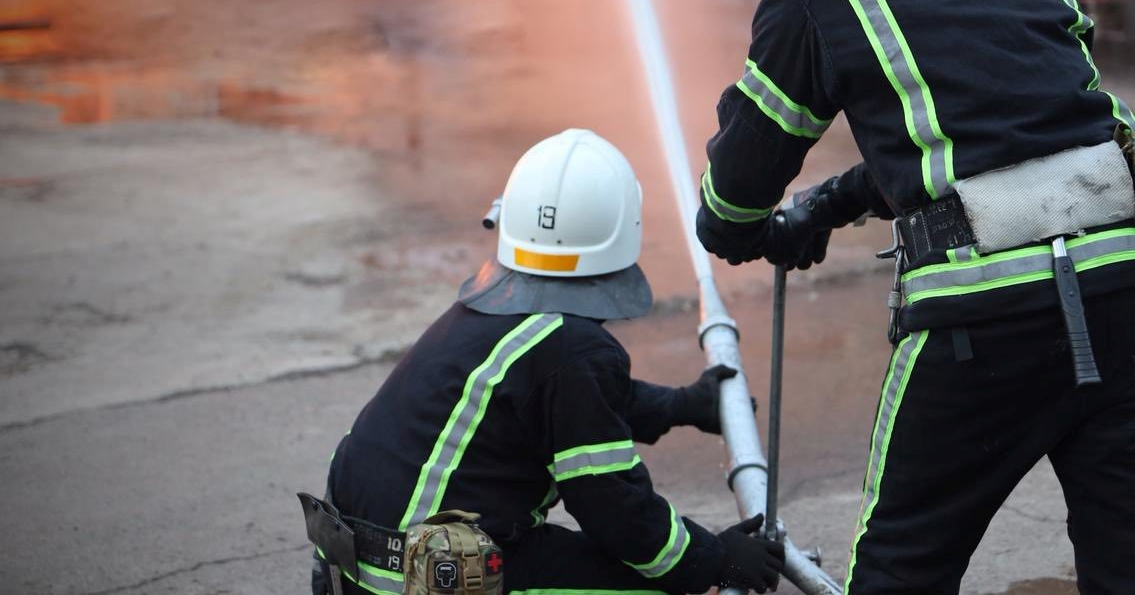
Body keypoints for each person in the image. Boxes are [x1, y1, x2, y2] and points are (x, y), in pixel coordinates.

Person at [694, 0, 1135, 593]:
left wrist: (739, 229)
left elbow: (742, 179)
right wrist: (831, 205)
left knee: (902, 568)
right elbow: (1020, 134)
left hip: (984, 327)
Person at [307, 129, 785, 595]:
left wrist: (680, 406)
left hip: (352, 570)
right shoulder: (570, 348)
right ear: (624, 232)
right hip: (426, 579)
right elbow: (614, 510)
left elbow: (565, 404)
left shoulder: (486, 315)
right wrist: (712, 559)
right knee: (666, 584)